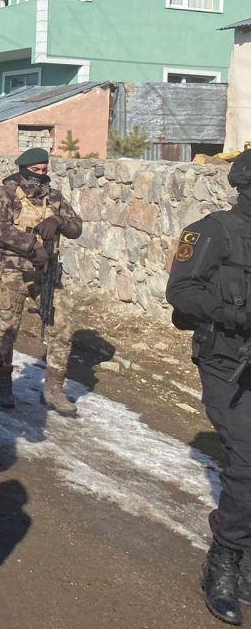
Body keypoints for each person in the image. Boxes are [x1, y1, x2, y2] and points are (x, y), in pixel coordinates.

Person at [167, 148, 251, 624]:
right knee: (246, 460)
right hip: (226, 362)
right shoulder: (213, 230)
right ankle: (223, 560)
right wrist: (236, 314)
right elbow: (180, 292)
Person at [0, 147, 84, 415]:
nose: (40, 176)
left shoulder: (54, 197)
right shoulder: (4, 194)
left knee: (63, 325)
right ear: (24, 168)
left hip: (46, 273)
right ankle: (4, 383)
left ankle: (54, 389)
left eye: (44, 170)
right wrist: (31, 245)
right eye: (35, 171)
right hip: (12, 271)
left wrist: (58, 220)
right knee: (7, 330)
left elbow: (77, 227)